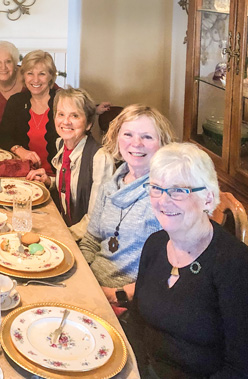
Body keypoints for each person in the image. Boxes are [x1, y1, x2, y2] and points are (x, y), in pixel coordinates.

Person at [131, 142, 248, 377]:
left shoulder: (234, 264)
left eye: (178, 190)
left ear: (207, 199)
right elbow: (136, 321)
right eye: (156, 188)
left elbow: (240, 367)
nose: (163, 201)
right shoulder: (155, 244)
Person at [78, 104, 174, 306]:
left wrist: (116, 294)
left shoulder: (166, 197)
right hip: (91, 284)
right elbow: (91, 240)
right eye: (128, 134)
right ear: (116, 138)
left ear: (162, 144)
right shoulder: (110, 186)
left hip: (128, 302)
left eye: (147, 137)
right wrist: (83, 277)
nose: (136, 143)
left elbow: (170, 269)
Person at [27, 88, 114, 240]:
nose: (66, 121)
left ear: (88, 124)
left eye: (74, 115)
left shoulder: (100, 158)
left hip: (85, 240)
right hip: (64, 225)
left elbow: (96, 217)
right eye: (61, 114)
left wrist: (63, 235)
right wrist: (49, 181)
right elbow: (70, 186)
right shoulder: (61, 144)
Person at [0, 50, 60, 174]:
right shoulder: (16, 102)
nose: (35, 80)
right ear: (24, 76)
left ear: (51, 76)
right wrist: (19, 150)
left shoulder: (62, 102)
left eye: (42, 74)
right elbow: (3, 136)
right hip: (23, 175)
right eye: (30, 73)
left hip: (55, 180)